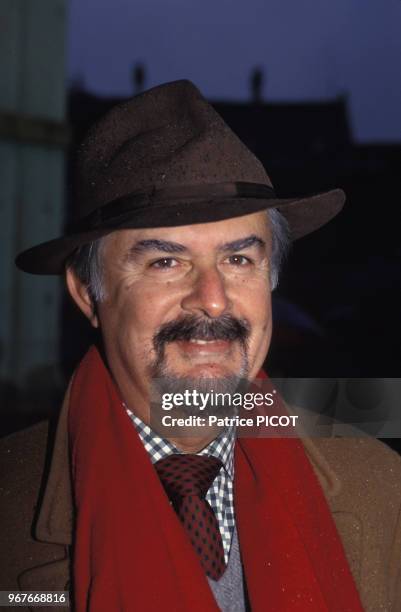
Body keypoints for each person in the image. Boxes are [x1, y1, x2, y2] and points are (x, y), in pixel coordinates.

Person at [1, 80, 401, 611]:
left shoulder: (380, 485)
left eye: (239, 260)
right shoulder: (10, 507)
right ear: (87, 293)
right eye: (166, 261)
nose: (213, 301)